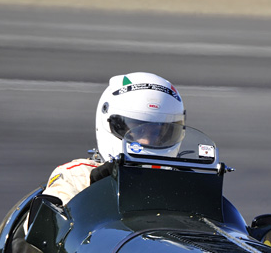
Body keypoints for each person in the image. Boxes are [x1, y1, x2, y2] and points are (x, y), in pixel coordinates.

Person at [42, 72, 186, 206]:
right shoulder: (76, 176)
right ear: (112, 124)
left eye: (158, 133)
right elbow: (46, 226)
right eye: (138, 131)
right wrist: (96, 188)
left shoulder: (184, 182)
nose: (147, 141)